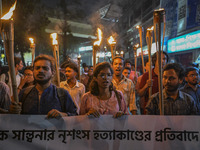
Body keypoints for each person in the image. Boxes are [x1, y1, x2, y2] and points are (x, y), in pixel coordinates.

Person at [9, 54, 77, 118]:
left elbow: (75, 117)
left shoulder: (62, 94)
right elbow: (14, 118)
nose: (40, 71)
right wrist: (13, 111)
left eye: (45, 68)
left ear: (53, 72)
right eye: (37, 68)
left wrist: (63, 115)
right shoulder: (24, 93)